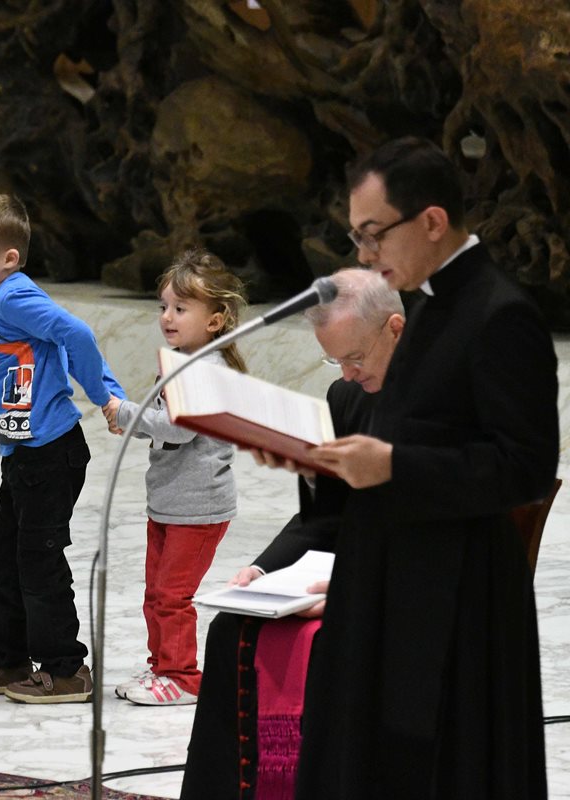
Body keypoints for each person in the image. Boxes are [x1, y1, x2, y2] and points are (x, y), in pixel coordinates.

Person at [298, 137, 558, 798]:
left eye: (373, 234)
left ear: (433, 222)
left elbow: (524, 467)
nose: (364, 255)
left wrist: (394, 466)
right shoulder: (428, 305)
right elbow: (411, 430)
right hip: (393, 582)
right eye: (355, 236)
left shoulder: (501, 314)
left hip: (459, 601)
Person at [180, 267, 405, 798]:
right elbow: (321, 515)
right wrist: (262, 569)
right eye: (335, 360)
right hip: (346, 579)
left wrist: (358, 586)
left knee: (330, 646)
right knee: (232, 629)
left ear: (395, 328)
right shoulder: (347, 398)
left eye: (354, 357)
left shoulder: (445, 405)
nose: (346, 374)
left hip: (411, 588)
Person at [0, 194, 124, 704]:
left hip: (50, 456)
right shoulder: (7, 299)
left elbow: (78, 334)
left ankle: (66, 669)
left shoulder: (12, 298)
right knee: (6, 554)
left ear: (8, 258)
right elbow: (55, 345)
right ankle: (10, 658)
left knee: (38, 560)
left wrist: (105, 393)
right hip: (25, 456)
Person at [101, 249, 248, 706]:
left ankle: (183, 677)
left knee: (172, 595)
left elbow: (179, 429)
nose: (167, 316)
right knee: (156, 593)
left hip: (197, 508)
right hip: (168, 501)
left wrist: (125, 412)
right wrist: (136, 418)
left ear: (216, 319)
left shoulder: (207, 370)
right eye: (163, 306)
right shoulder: (183, 361)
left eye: (181, 308)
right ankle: (162, 666)